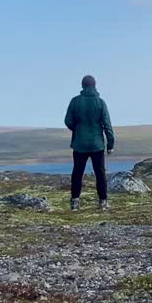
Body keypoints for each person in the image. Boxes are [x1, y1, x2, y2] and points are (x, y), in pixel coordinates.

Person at [64, 74, 115, 210]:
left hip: (79, 144)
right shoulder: (100, 102)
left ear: (82, 86)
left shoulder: (75, 101)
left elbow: (68, 121)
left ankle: (75, 202)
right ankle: (103, 202)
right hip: (97, 144)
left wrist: (77, 129)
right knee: (100, 173)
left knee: (77, 173)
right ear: (94, 85)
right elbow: (107, 125)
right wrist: (110, 144)